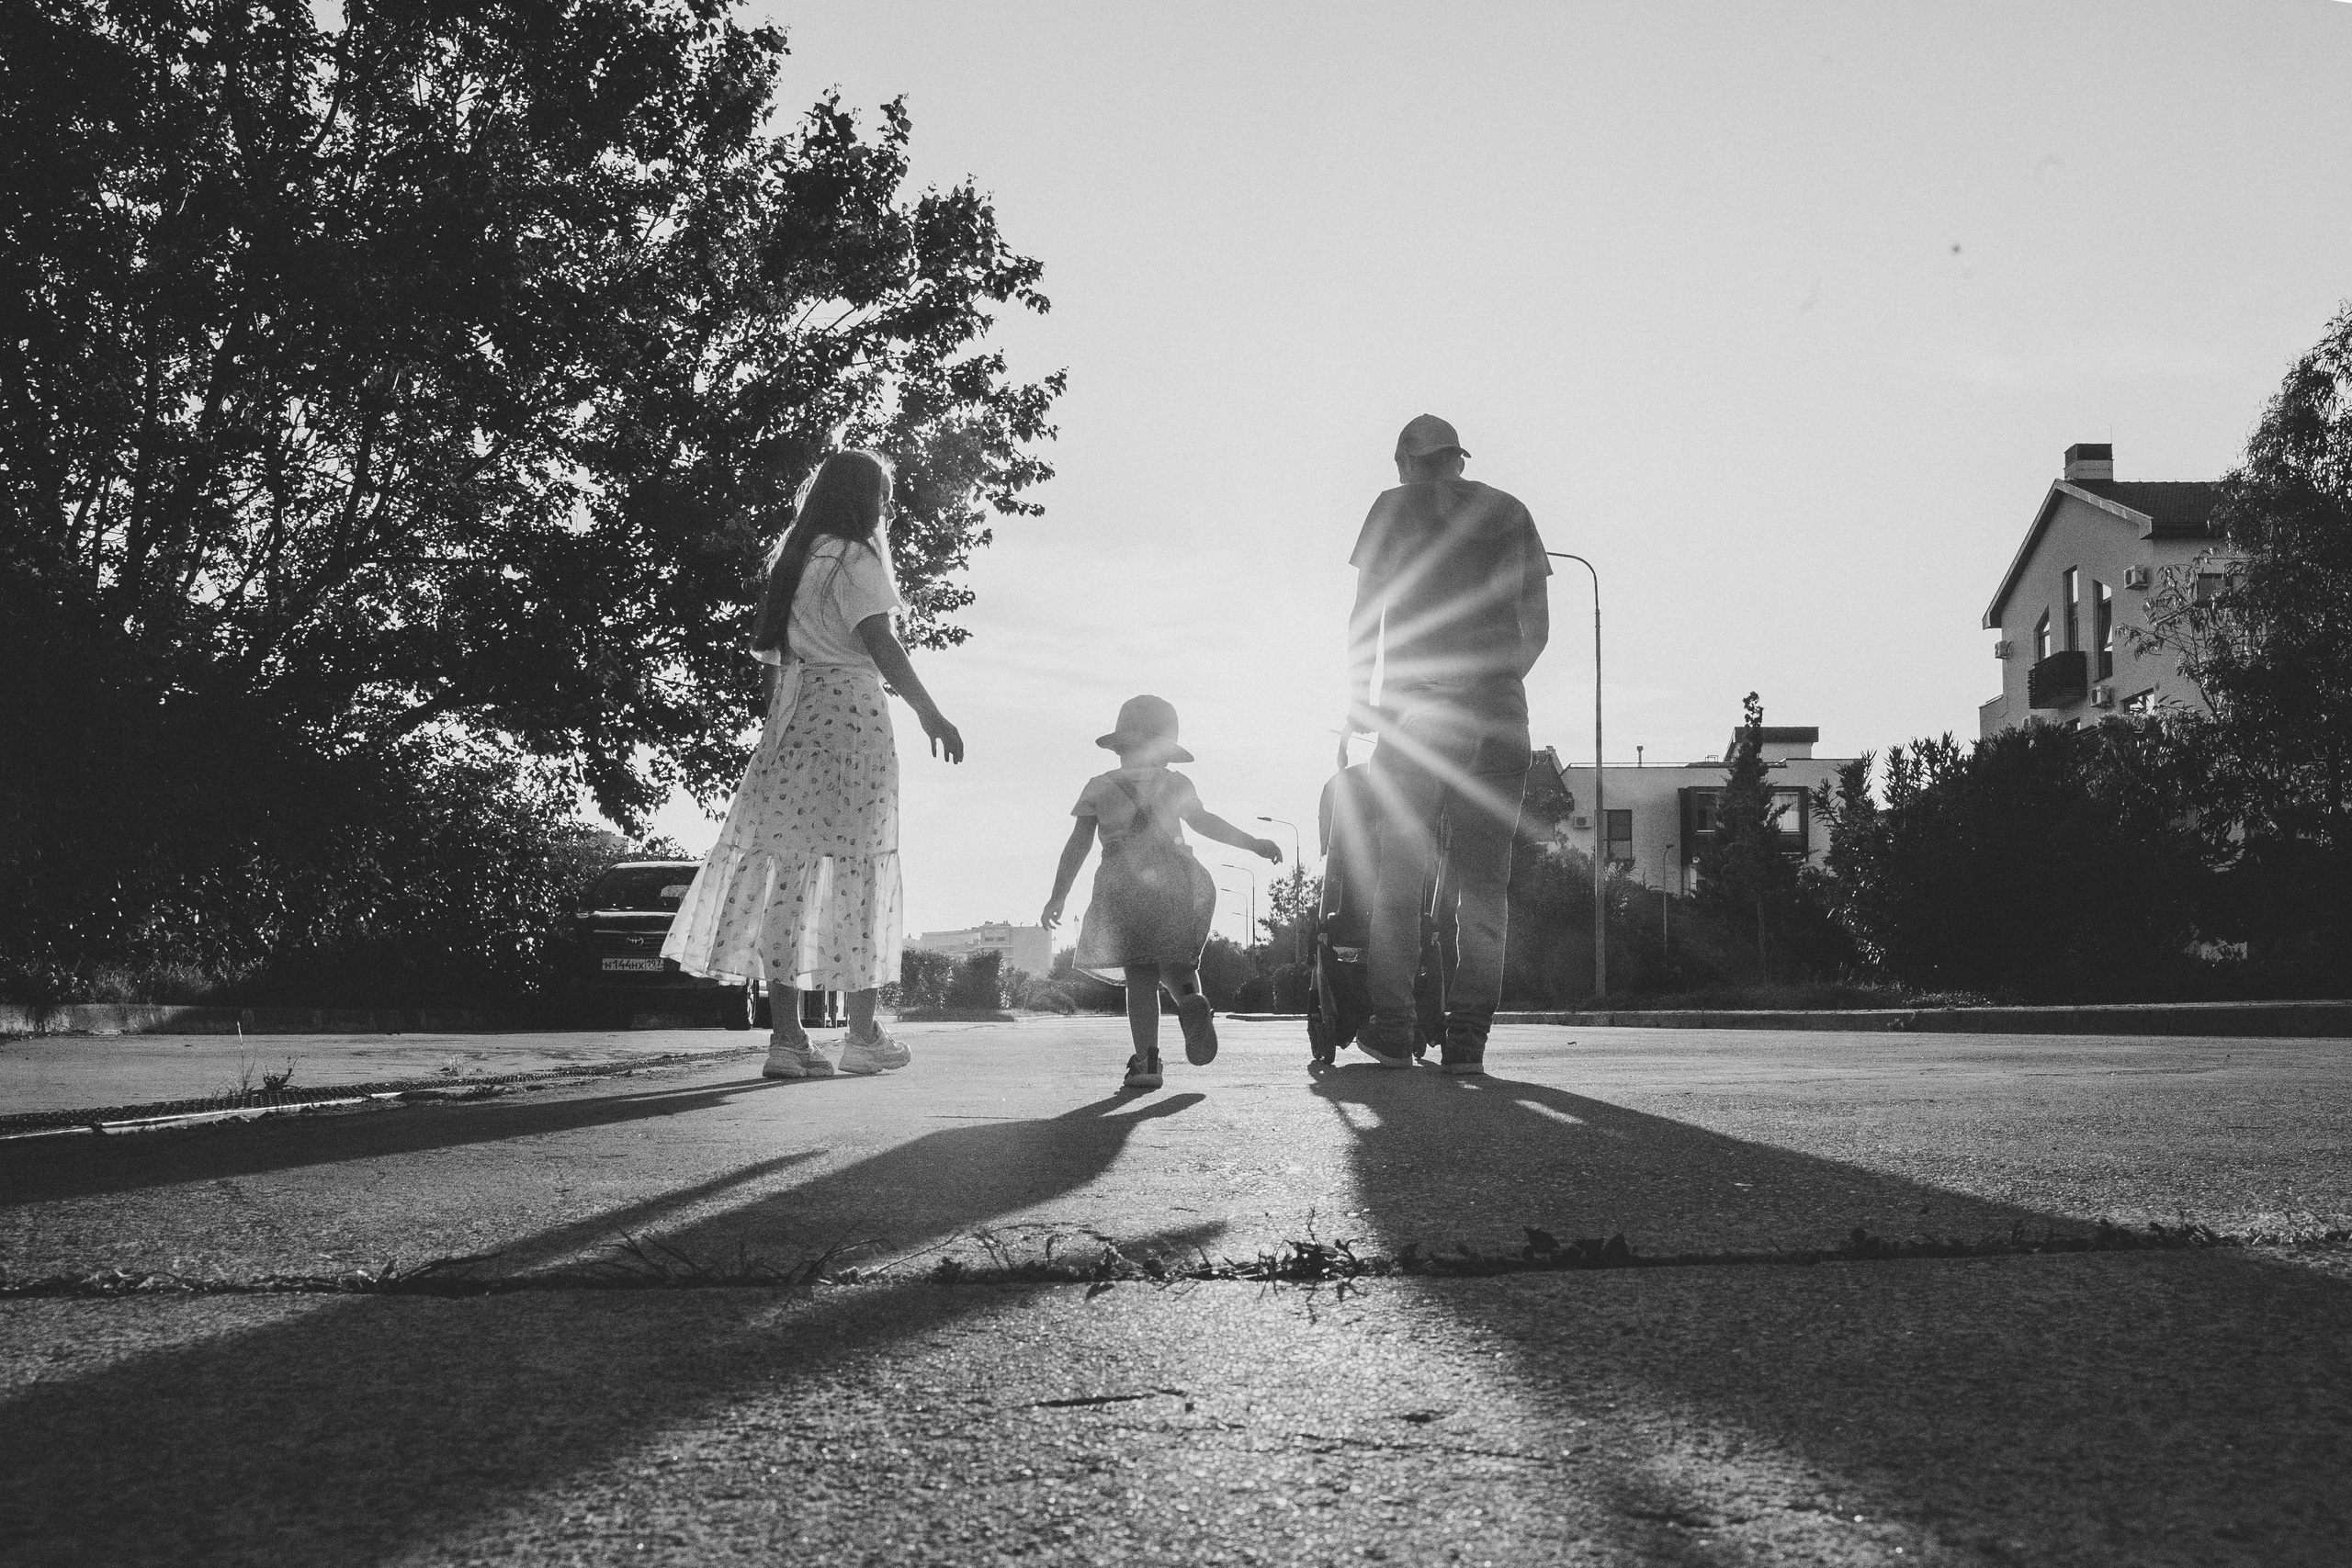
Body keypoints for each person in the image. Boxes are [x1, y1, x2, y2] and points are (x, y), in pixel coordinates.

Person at [663, 449, 965, 1080]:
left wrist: (775, 739)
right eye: (883, 494)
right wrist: (929, 711)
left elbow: (775, 665)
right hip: (853, 719)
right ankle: (860, 1035)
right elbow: (882, 642)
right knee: (858, 867)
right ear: (860, 498)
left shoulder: (793, 562)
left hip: (794, 721)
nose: (887, 506)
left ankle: (787, 1039)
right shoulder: (856, 557)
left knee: (788, 872)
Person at [1341, 414, 1550, 1076]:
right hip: (1499, 718)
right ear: (1457, 460)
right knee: (1486, 886)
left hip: (1416, 721)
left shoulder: (1391, 507)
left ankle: (1397, 1029)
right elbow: (1537, 630)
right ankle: (1467, 1041)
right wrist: (1488, 682)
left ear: (1405, 461)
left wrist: (1362, 701)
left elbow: (1366, 617)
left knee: (1401, 878)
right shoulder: (1512, 510)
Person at [1041, 695, 1282, 1090]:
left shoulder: (1099, 787)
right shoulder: (1175, 782)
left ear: (1119, 746)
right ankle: (1189, 1000)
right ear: (1166, 749)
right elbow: (1205, 823)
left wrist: (1058, 896)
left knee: (1140, 971)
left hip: (1123, 880)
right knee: (1178, 960)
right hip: (1174, 876)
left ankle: (1147, 1062)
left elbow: (1077, 846)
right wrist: (1253, 842)